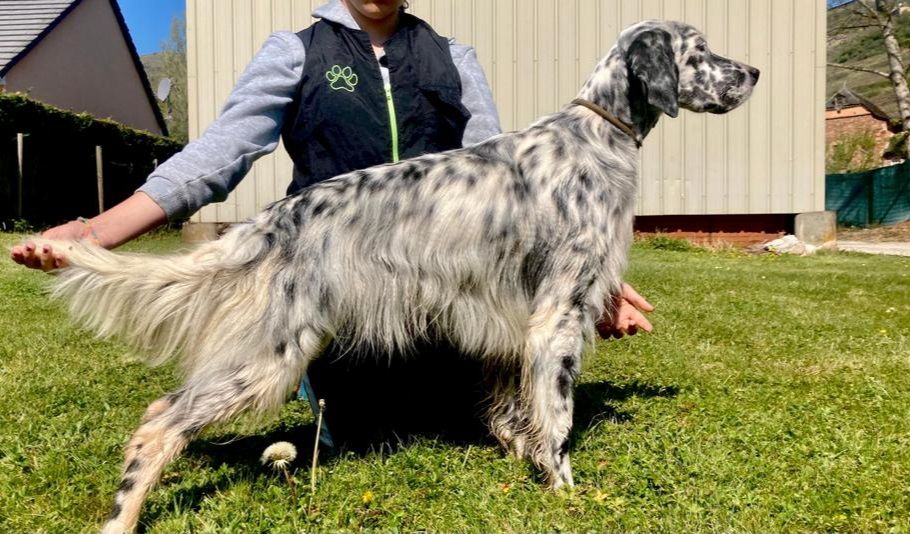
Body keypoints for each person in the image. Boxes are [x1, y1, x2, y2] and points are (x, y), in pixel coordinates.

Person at [10, 0, 652, 440]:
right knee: (367, 432)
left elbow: (514, 190)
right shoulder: (295, 51)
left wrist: (595, 282)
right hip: (347, 307)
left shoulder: (455, 58)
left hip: (450, 312)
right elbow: (216, 157)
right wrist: (95, 233)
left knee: (452, 424)